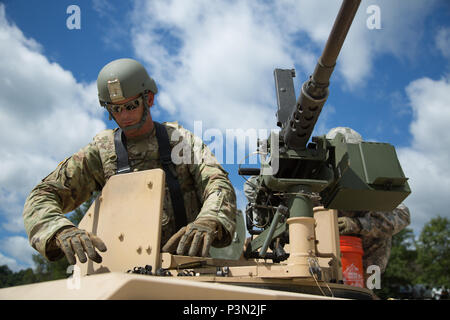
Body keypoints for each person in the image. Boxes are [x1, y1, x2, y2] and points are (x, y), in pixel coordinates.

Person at [23, 58, 237, 265]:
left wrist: (209, 220)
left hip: (184, 265)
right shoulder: (102, 151)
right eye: (115, 109)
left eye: (131, 105)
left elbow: (217, 183)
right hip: (121, 269)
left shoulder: (182, 142)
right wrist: (61, 230)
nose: (124, 115)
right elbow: (41, 196)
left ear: (149, 99)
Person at [244, 127, 410, 277]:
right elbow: (251, 189)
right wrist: (270, 166)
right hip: (304, 260)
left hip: (361, 269)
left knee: (381, 230)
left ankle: (368, 288)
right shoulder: (314, 178)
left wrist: (356, 224)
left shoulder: (364, 185)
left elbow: (402, 215)